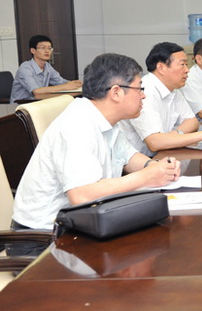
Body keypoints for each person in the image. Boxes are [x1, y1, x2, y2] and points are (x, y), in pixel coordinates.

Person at [11, 53, 181, 231]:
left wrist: (156, 167)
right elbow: (81, 196)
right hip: (44, 235)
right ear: (116, 92)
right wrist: (147, 176)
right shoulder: (77, 125)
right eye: (139, 89)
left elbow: (129, 157)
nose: (143, 96)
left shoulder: (106, 120)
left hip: (85, 219)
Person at [119, 42, 202, 157]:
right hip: (138, 162)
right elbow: (154, 143)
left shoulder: (173, 89)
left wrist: (175, 134)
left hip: (163, 154)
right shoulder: (145, 91)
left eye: (187, 64)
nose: (187, 70)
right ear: (161, 67)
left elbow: (192, 122)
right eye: (182, 64)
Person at [10, 34, 82, 103]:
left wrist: (76, 84)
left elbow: (61, 82)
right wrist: (65, 86)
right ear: (33, 50)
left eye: (49, 48)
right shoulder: (25, 68)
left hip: (37, 102)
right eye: (43, 48)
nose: (47, 51)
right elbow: (36, 91)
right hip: (20, 105)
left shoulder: (47, 66)